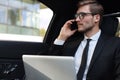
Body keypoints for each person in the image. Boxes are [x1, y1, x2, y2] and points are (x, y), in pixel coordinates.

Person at [46, 0, 120, 80]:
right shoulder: (70, 43)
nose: (77, 19)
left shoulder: (115, 44)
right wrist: (61, 38)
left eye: (82, 15)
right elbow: (49, 66)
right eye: (77, 15)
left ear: (96, 18)